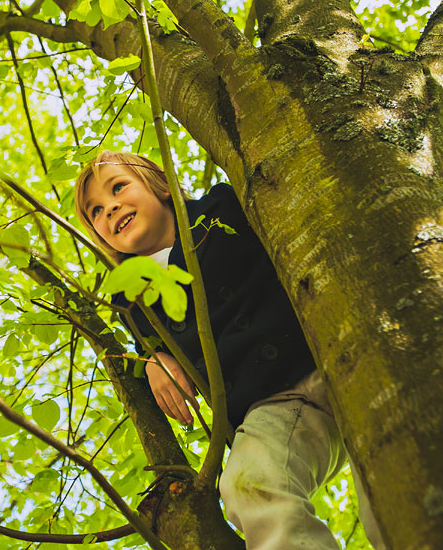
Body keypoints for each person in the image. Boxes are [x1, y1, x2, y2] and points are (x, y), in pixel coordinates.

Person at [74, 151, 385, 550]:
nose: (110, 207)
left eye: (118, 187)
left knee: (392, 474)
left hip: (333, 350)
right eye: (95, 211)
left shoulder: (221, 207)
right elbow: (147, 345)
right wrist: (153, 359)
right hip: (272, 404)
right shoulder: (130, 298)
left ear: (163, 187)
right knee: (246, 482)